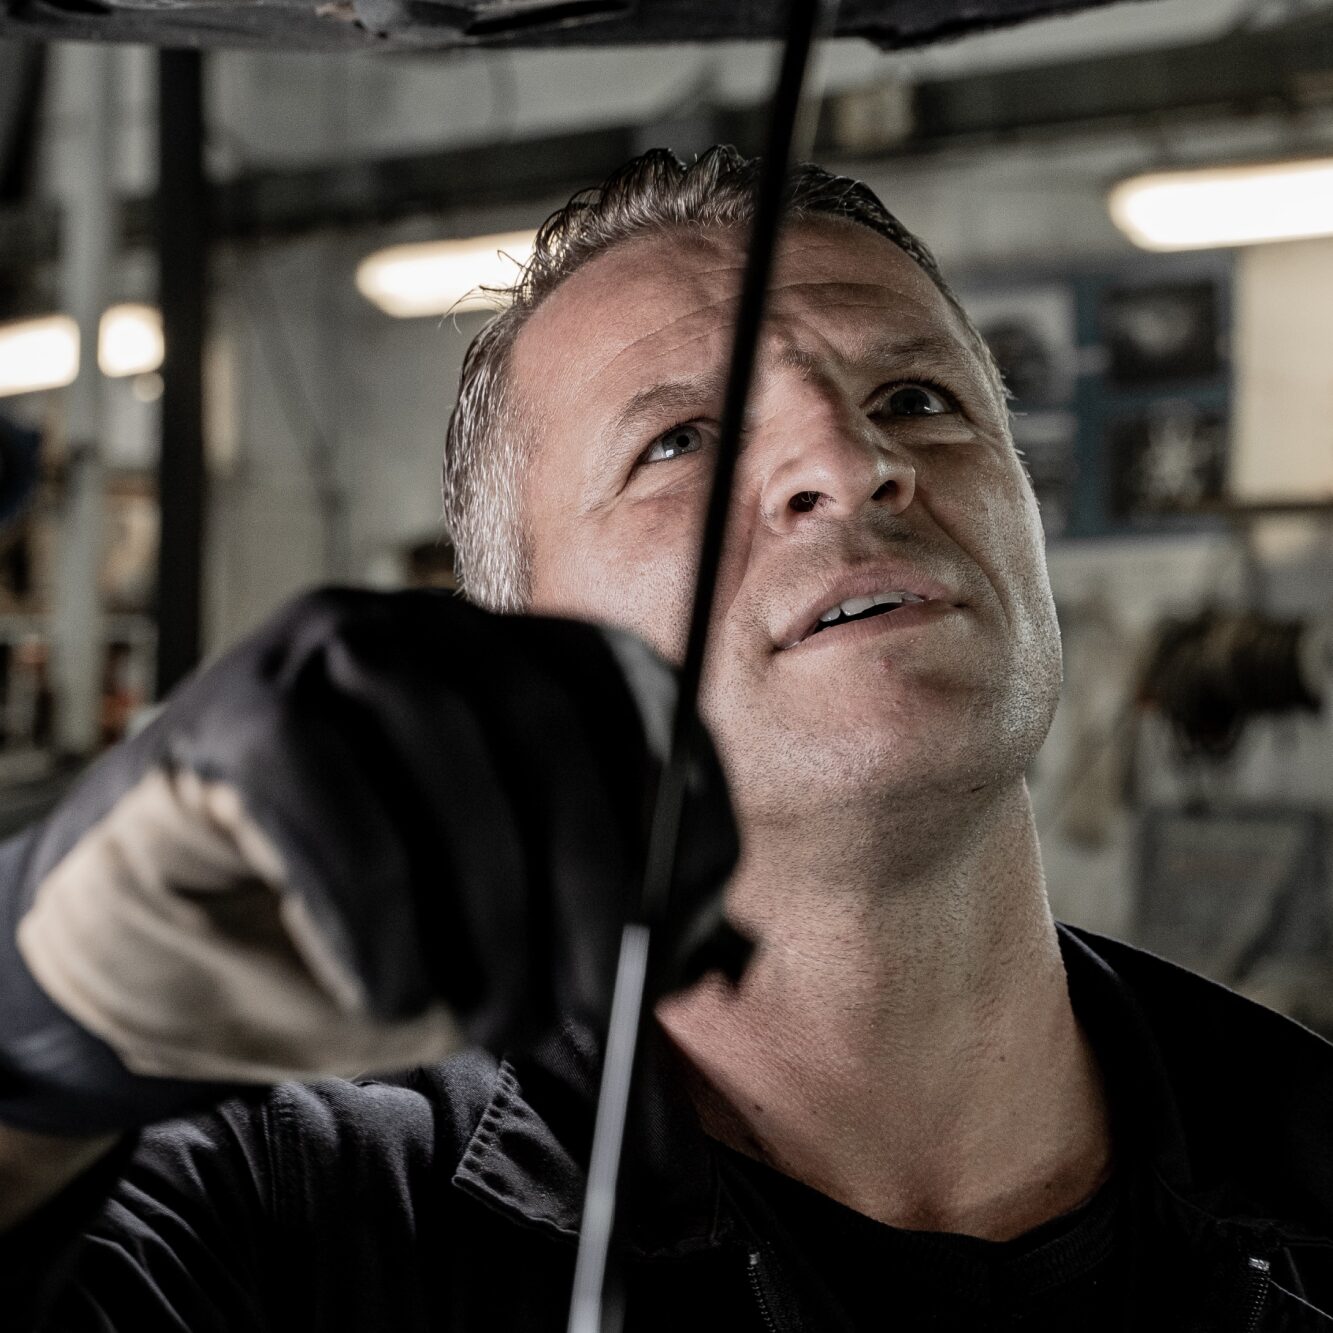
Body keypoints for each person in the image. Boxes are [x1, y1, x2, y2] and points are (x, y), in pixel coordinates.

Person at [2, 146, 1332, 1332]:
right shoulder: (298, 1217)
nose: (850, 461)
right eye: (680, 439)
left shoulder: (1315, 1155)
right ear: (523, 631)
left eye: (916, 398)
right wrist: (39, 1024)